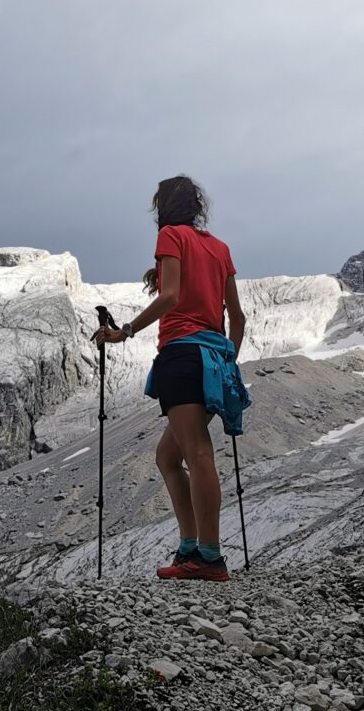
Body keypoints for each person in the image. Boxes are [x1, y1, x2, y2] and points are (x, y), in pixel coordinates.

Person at [92, 174, 248, 581]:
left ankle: (209, 557)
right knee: (170, 456)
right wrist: (228, 359)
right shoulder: (219, 249)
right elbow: (238, 317)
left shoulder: (170, 238)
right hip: (214, 359)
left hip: (181, 355)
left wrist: (125, 331)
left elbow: (171, 296)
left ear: (164, 207)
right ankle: (190, 547)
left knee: (196, 452)